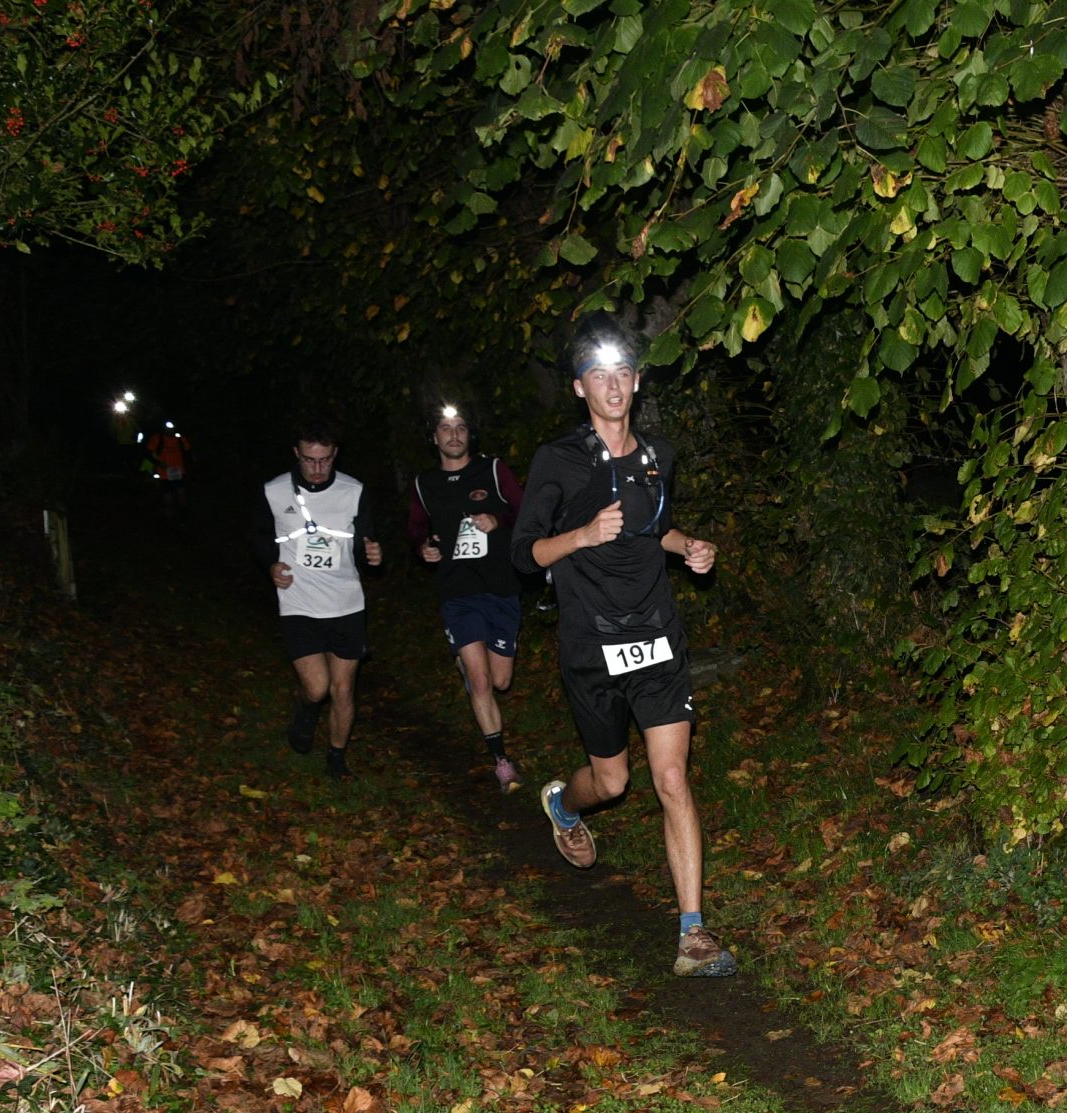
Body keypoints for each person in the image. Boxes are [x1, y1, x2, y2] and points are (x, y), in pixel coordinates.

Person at [511, 313, 733, 978]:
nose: (613, 385)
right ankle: (564, 804)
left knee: (672, 778)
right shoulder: (557, 460)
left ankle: (693, 934)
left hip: (657, 635)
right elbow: (524, 554)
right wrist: (581, 535)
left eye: (623, 372)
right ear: (579, 386)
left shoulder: (658, 455)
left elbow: (650, 529)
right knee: (612, 781)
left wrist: (688, 546)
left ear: (637, 381)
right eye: (598, 374)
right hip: (591, 644)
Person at [252, 424, 382, 780]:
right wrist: (271, 564)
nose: (317, 468)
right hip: (299, 603)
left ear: (335, 454)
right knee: (317, 687)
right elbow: (258, 535)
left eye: (324, 460)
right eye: (309, 460)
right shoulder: (274, 490)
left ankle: (336, 759)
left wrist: (372, 554)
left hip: (346, 603)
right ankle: (307, 708)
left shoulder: (354, 490)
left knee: (343, 689)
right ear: (297, 453)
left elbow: (364, 541)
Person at [410, 404, 527, 792]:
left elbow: (525, 511)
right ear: (435, 437)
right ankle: (502, 762)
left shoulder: (492, 470)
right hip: (457, 591)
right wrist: (423, 548)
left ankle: (471, 662)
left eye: (460, 427)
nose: (454, 435)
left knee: (500, 681)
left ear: (469, 434)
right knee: (480, 682)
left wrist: (498, 520)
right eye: (446, 428)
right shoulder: (424, 484)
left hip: (500, 587)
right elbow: (416, 529)